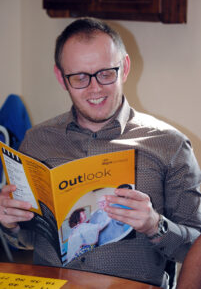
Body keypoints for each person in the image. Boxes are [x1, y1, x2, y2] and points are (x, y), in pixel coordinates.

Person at [0, 17, 201, 288]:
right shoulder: (37, 141)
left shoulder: (170, 145)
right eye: (80, 77)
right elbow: (28, 238)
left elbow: (196, 251)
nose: (95, 88)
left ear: (125, 68)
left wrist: (155, 225)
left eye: (106, 73)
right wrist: (10, 223)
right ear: (61, 78)